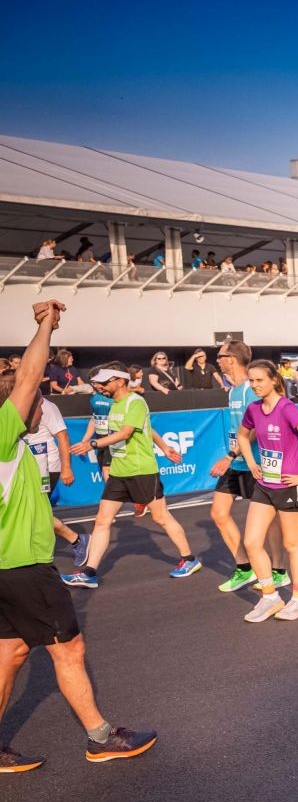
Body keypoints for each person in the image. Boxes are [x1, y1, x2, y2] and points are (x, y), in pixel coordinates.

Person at [1, 301, 157, 774]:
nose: (40, 408)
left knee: (10, 651)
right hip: (23, 567)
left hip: (7, 569)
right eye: (35, 402)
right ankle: (101, 737)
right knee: (69, 649)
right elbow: (29, 377)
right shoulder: (3, 433)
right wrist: (46, 325)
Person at [61, 368, 197, 588]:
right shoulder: (114, 404)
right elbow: (147, 429)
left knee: (161, 517)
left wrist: (92, 444)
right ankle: (89, 573)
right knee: (102, 520)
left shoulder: (136, 402)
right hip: (119, 471)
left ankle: (189, 559)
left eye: (105, 383)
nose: (100, 387)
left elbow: (126, 432)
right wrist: (165, 447)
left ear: (120, 381)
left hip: (141, 470)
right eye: (98, 383)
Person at [236, 360, 298, 622]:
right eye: (251, 380)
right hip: (265, 485)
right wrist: (252, 463)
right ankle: (270, 597)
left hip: (289, 486)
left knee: (292, 544)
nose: (254, 385)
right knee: (251, 542)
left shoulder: (286, 407)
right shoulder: (253, 408)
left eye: (259, 380)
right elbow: (242, 436)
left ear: (274, 380)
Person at [208, 341, 288, 595]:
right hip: (237, 462)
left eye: (220, 356)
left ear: (231, 358)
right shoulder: (233, 390)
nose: (217, 360)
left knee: (271, 521)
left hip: (256, 463)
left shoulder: (250, 389)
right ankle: (244, 568)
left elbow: (255, 428)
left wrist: (230, 455)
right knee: (219, 513)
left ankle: (279, 571)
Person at [20, 389, 87, 563]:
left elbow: (62, 436)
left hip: (46, 467)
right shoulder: (15, 404)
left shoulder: (47, 406)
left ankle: (77, 540)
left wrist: (66, 468)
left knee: (36, 510)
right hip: (25, 466)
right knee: (28, 510)